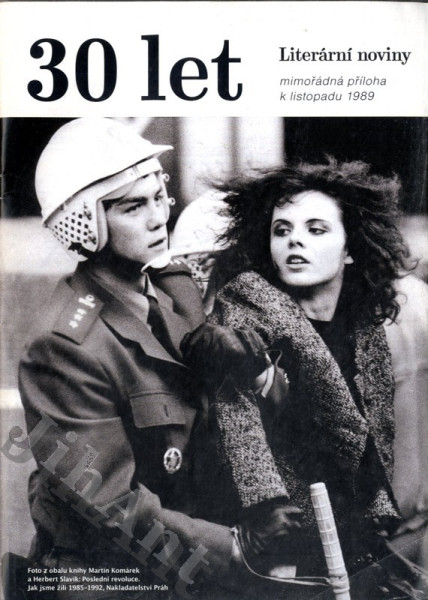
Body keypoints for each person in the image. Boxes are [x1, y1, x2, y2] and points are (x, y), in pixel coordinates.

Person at [17, 118, 302, 600]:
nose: (157, 218)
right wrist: (236, 547)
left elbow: (259, 421)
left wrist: (257, 374)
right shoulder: (63, 348)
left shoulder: (175, 292)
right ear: (84, 222)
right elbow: (110, 507)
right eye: (133, 206)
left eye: (158, 197)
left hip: (189, 572)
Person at [181, 158, 427, 599]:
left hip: (360, 536)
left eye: (316, 229)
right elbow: (238, 413)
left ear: (350, 248)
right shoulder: (247, 306)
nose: (295, 239)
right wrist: (266, 501)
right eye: (282, 230)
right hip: (286, 547)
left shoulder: (365, 320)